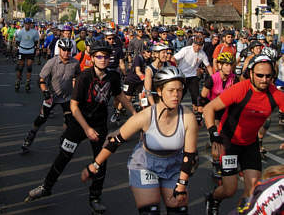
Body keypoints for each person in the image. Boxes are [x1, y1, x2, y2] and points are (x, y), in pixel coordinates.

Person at [24, 40, 136, 214]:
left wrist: (136, 115)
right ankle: (47, 186)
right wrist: (86, 129)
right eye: (99, 56)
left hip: (99, 124)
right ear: (92, 58)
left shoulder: (112, 77)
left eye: (106, 57)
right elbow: (74, 107)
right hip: (79, 123)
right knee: (64, 155)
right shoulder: (85, 77)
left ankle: (95, 197)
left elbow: (120, 95)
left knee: (101, 162)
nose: (103, 60)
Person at [81, 66, 199, 215]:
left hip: (173, 166)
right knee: (151, 212)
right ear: (160, 91)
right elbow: (115, 141)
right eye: (171, 90)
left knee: (178, 211)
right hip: (145, 165)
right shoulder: (146, 116)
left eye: (179, 90)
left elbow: (189, 155)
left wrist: (182, 185)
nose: (176, 95)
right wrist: (95, 165)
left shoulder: (188, 117)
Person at [203, 54, 284, 215]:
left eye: (268, 76)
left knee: (253, 190)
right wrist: (214, 134)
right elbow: (209, 108)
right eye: (260, 75)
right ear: (251, 73)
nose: (264, 79)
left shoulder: (276, 94)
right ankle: (213, 198)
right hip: (229, 143)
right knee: (229, 190)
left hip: (250, 144)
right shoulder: (240, 89)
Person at [21, 38, 81, 153]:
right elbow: (41, 79)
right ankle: (30, 137)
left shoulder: (75, 63)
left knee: (70, 121)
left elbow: (78, 77)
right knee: (41, 119)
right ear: (59, 49)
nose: (66, 52)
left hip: (66, 97)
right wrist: (45, 92)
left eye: (69, 50)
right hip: (51, 96)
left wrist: (77, 89)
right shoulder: (52, 62)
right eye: (64, 50)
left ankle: (64, 139)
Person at [172, 34, 213, 112]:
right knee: (179, 95)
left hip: (193, 76)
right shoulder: (186, 50)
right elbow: (173, 58)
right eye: (196, 45)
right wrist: (175, 68)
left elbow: (208, 66)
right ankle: (174, 111)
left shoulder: (202, 54)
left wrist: (213, 78)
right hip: (182, 76)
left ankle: (196, 114)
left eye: (200, 45)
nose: (198, 47)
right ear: (193, 44)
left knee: (196, 97)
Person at [14, 18, 39, 91]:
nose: (27, 25)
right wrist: (16, 48)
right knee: (20, 67)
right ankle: (18, 81)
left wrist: (37, 49)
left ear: (31, 24)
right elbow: (17, 41)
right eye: (26, 24)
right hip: (22, 51)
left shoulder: (34, 32)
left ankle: (28, 82)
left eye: (29, 24)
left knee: (29, 67)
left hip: (30, 51)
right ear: (24, 24)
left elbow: (36, 41)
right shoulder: (20, 32)